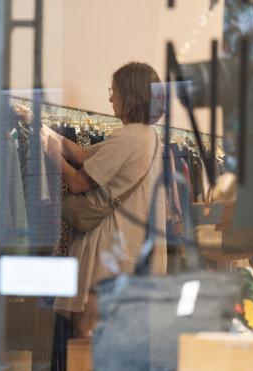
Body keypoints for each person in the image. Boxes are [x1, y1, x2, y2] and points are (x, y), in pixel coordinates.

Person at [43, 62, 167, 337]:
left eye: (115, 91)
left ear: (130, 94)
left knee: (88, 340)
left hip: (110, 255)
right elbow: (85, 155)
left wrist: (52, 155)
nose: (111, 97)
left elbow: (77, 183)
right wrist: (48, 133)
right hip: (132, 256)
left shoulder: (128, 138)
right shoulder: (149, 136)